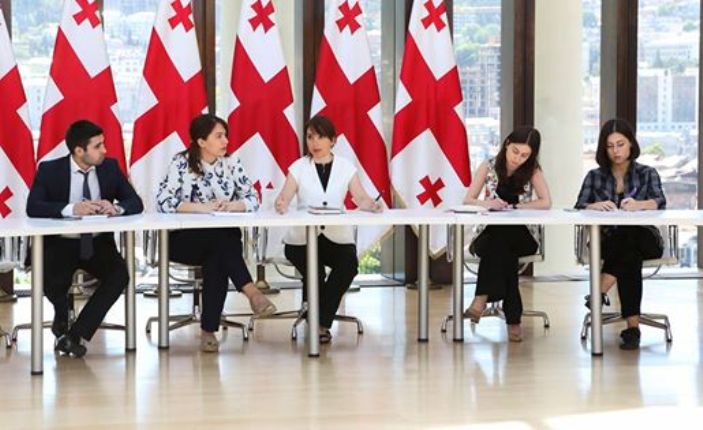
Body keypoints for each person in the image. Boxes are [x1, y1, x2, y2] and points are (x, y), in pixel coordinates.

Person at [156, 114, 277, 353]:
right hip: (184, 240)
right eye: (219, 136)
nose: (225, 141)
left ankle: (208, 331)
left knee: (218, 255)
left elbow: (253, 198)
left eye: (225, 136)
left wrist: (233, 205)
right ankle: (250, 291)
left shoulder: (232, 163)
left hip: (220, 242)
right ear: (201, 141)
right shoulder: (181, 163)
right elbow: (163, 201)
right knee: (222, 243)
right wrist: (201, 208)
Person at [26, 120, 144, 358]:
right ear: (79, 151)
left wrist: (116, 208)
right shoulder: (50, 170)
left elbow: (135, 202)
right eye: (98, 146)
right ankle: (61, 321)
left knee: (119, 275)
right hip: (61, 242)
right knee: (53, 279)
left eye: (103, 144)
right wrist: (71, 209)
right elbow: (33, 207)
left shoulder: (109, 168)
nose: (105, 150)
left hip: (97, 244)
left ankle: (76, 334)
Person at [274, 115, 382, 344]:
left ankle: (320, 320)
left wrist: (372, 205)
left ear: (332, 140)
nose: (314, 143)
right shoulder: (298, 167)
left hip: (336, 237)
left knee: (349, 265)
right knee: (314, 270)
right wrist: (281, 203)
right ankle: (319, 324)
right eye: (310, 137)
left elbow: (360, 197)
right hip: (301, 240)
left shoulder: (346, 167)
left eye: (320, 137)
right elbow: (284, 196)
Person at [575, 118, 666, 350]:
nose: (616, 151)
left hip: (646, 239)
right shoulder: (594, 176)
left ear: (631, 144)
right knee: (629, 255)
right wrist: (593, 206)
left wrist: (639, 205)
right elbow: (579, 206)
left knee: (631, 235)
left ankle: (599, 290)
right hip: (607, 242)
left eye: (620, 144)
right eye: (610, 146)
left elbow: (659, 201)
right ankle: (632, 329)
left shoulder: (647, 173)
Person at [461, 126, 551, 342]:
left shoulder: (533, 170)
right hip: (487, 234)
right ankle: (513, 320)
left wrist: (517, 207)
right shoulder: (488, 166)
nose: (518, 159)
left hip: (523, 236)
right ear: (507, 144)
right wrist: (488, 204)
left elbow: (546, 202)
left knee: (502, 239)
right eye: (515, 152)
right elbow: (468, 200)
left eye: (525, 155)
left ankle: (481, 298)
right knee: (503, 247)